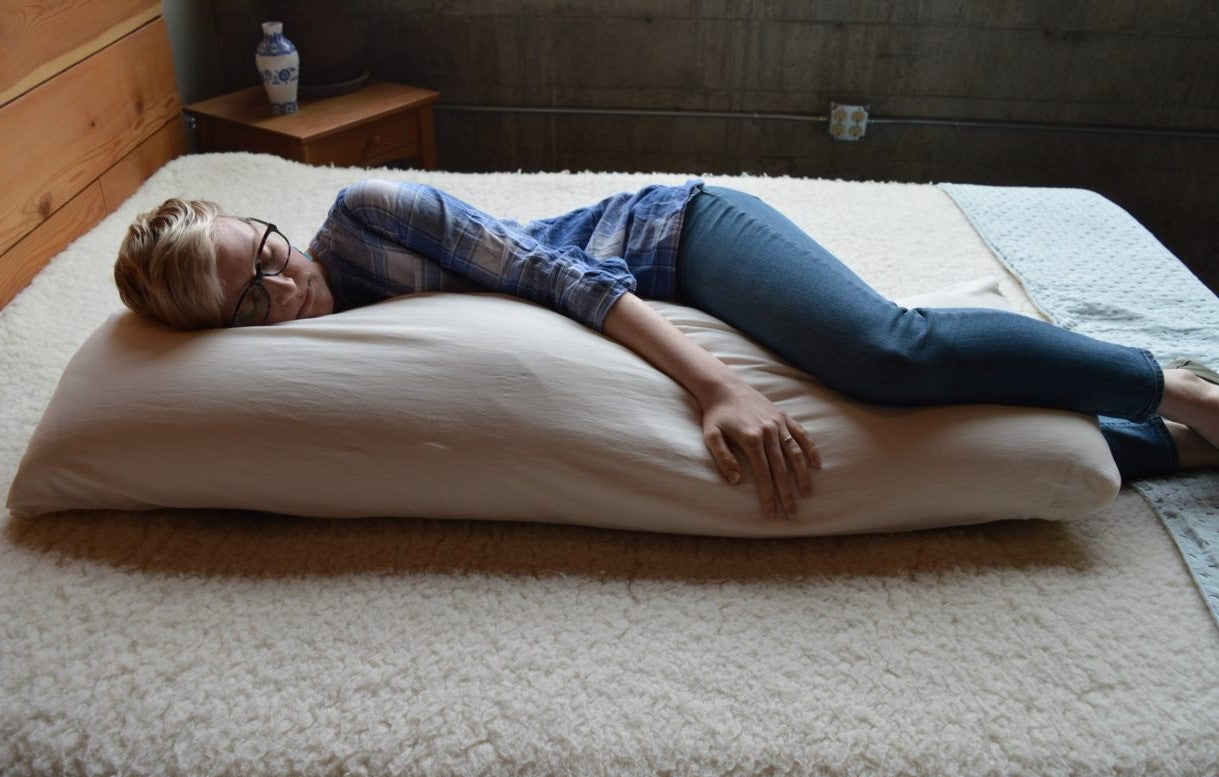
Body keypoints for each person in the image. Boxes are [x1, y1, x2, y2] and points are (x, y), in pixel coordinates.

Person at [114, 180, 1219, 518]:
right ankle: (1170, 450)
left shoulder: (368, 216)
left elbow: (562, 276)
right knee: (888, 439)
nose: (283, 282)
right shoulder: (310, 363)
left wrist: (717, 386)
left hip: (674, 239)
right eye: (249, 299)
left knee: (885, 355)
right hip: (661, 289)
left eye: (263, 248)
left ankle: (1178, 388)